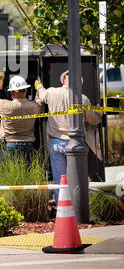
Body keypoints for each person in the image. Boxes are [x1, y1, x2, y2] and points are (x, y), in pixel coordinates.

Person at [35, 70, 102, 201]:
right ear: (79, 83)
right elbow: (93, 120)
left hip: (56, 142)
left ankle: (62, 208)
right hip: (76, 144)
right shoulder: (82, 98)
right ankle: (77, 208)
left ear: (62, 81)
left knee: (60, 179)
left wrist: (38, 84)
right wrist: (99, 114)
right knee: (76, 179)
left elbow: (41, 94)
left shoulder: (51, 92)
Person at [0, 72, 41, 160]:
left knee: (9, 173)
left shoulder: (5, 105)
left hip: (9, 146)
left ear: (12, 93)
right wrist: (39, 87)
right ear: (26, 90)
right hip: (28, 146)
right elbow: (39, 100)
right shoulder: (34, 107)